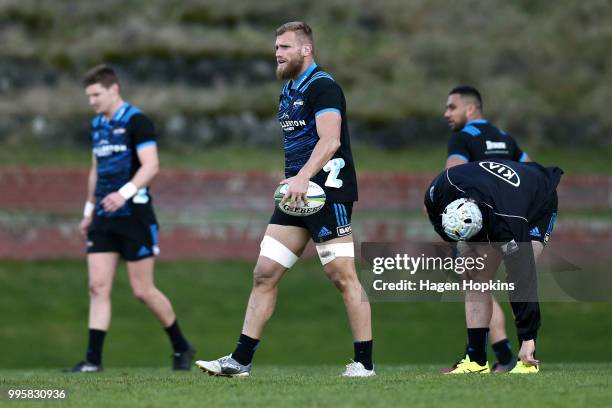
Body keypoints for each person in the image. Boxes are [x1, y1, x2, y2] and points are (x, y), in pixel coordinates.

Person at [195, 21, 374, 377]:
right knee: (264, 273)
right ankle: (239, 361)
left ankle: (364, 364)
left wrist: (303, 177)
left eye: (285, 47)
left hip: (328, 194)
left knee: (342, 276)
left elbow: (330, 141)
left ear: (306, 49)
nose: (277, 53)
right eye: (276, 47)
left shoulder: (322, 86)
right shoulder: (288, 89)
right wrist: (292, 178)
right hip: (296, 196)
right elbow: (300, 144)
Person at [66, 65, 194, 372]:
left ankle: (181, 346)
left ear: (114, 89)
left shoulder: (137, 121)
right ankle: (92, 362)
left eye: (96, 95)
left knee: (142, 290)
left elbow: (151, 165)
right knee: (97, 286)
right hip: (103, 218)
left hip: (134, 215)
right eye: (88, 96)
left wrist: (123, 194)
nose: (92, 101)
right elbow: (96, 170)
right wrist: (88, 211)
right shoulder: (97, 125)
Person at [425, 159, 562, 374]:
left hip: (538, 199)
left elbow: (522, 278)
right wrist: (458, 253)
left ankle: (528, 352)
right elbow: (444, 230)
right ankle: (476, 360)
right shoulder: (438, 193)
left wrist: (528, 338)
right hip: (494, 195)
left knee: (519, 273)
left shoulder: (508, 224)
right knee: (474, 275)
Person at [442, 85, 531, 372]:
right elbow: (530, 171)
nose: (446, 114)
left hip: (479, 226)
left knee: (475, 285)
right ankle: (507, 354)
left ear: (470, 109)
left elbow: (452, 180)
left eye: (451, 107)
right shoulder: (505, 138)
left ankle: (482, 358)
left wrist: (453, 228)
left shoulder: (462, 138)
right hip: (512, 224)